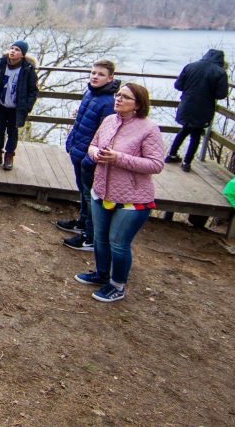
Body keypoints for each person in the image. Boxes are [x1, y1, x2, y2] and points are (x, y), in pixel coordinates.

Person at [75, 82, 165, 303]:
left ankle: (117, 285)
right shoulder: (108, 121)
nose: (118, 99)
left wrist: (118, 158)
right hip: (102, 190)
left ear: (137, 104)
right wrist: (96, 154)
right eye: (118, 95)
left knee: (118, 241)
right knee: (99, 237)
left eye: (125, 97)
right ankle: (101, 273)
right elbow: (93, 145)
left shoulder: (148, 128)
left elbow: (156, 164)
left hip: (132, 198)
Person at [58, 60, 119, 251]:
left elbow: (106, 134)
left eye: (100, 74)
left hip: (90, 157)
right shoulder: (91, 93)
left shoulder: (108, 102)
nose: (95, 76)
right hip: (79, 149)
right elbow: (82, 123)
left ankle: (91, 237)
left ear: (110, 78)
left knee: (91, 196)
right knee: (83, 192)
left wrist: (89, 157)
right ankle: (83, 223)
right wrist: (71, 142)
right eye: (93, 73)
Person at [165, 49, 229, 172]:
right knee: (196, 135)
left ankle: (171, 154)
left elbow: (178, 85)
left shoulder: (190, 66)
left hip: (187, 104)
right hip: (203, 107)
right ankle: (187, 162)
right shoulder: (220, 73)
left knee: (184, 130)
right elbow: (221, 94)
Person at [0, 40, 39, 171]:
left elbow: (33, 90)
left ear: (22, 54)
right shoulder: (1, 64)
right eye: (12, 48)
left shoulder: (27, 69)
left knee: (12, 132)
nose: (13, 51)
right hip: (0, 105)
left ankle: (9, 156)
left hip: (16, 108)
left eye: (17, 50)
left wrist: (27, 106)